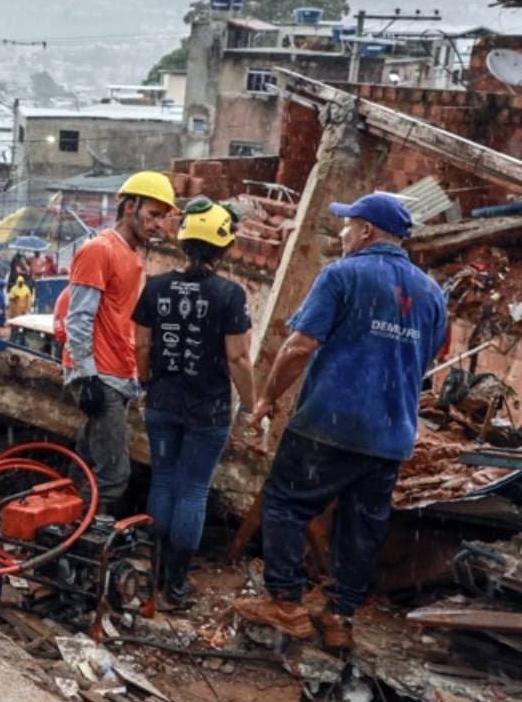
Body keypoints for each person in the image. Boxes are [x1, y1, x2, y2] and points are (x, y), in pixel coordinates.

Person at [234, 192, 446, 651]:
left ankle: (287, 602)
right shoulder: (432, 294)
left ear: (367, 230)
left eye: (348, 225)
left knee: (285, 503)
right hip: (391, 435)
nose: (343, 232)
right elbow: (424, 359)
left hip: (329, 424)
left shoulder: (343, 275)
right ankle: (339, 617)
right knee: (361, 525)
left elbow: (298, 347)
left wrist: (268, 398)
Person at [132, 199, 254, 609]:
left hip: (162, 402)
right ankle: (176, 586)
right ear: (223, 248)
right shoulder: (229, 295)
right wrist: (251, 405)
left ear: (184, 242)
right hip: (209, 409)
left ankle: (153, 573)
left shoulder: (156, 286)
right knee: (193, 490)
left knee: (163, 481)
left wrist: (148, 381)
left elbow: (142, 344)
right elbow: (238, 359)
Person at [60, 171, 178, 513]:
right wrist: (86, 377)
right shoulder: (99, 250)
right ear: (129, 207)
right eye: (153, 215)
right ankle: (76, 546)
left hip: (116, 376)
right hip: (100, 375)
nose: (158, 225)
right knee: (113, 475)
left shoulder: (131, 256)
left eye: (163, 217)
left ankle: (57, 535)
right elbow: (78, 317)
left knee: (84, 467)